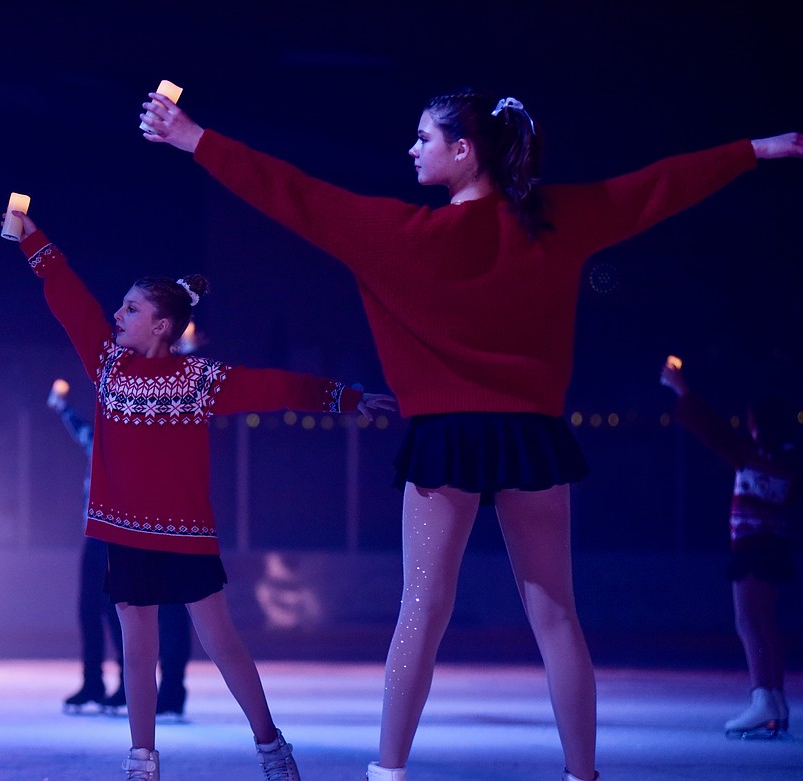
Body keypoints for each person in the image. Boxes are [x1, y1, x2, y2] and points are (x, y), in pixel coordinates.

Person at [139, 87, 803, 781]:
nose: (411, 148)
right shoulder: (553, 222)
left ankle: (388, 772)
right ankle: (583, 775)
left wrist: (195, 139)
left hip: (447, 441)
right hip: (531, 438)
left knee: (420, 613)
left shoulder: (397, 234)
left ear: (464, 150)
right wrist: (755, 150)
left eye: (423, 137)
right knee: (556, 618)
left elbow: (290, 192)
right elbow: (656, 188)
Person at [8, 208, 395, 781]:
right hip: (122, 534)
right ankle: (142, 762)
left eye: (132, 308)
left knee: (223, 643)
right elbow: (69, 296)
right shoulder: (107, 365)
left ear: (162, 324)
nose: (117, 314)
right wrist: (30, 235)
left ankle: (270, 746)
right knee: (137, 652)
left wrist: (344, 397)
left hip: (185, 536)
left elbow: (275, 387)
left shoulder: (199, 380)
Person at [659, 359, 798, 739]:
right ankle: (775, 698)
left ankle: (761, 697)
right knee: (765, 623)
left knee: (748, 622)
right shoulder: (786, 462)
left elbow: (710, 428)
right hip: (773, 548)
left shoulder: (753, 456)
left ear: (759, 424)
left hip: (752, 548)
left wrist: (680, 387)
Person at [48, 382, 194, 719]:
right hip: (100, 533)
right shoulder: (104, 438)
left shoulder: (152, 432)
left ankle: (168, 690)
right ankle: (99, 683)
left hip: (149, 529)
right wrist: (63, 408)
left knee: (165, 611)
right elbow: (85, 433)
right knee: (94, 608)